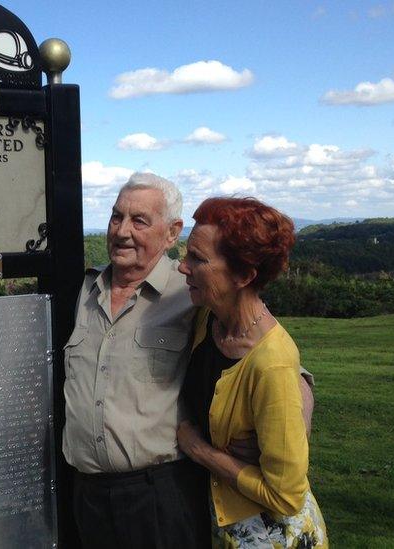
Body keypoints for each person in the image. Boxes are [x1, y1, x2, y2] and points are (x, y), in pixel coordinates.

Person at [63, 173, 210, 547]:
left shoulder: (190, 293)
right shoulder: (83, 289)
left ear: (172, 232)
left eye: (139, 220)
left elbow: (252, 341)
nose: (122, 231)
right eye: (116, 217)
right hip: (87, 494)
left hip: (157, 495)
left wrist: (298, 391)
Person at [176, 197, 327, 548]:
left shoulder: (270, 361)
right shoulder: (209, 318)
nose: (183, 267)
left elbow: (286, 496)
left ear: (243, 276)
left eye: (197, 259)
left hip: (272, 539)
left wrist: (199, 449)